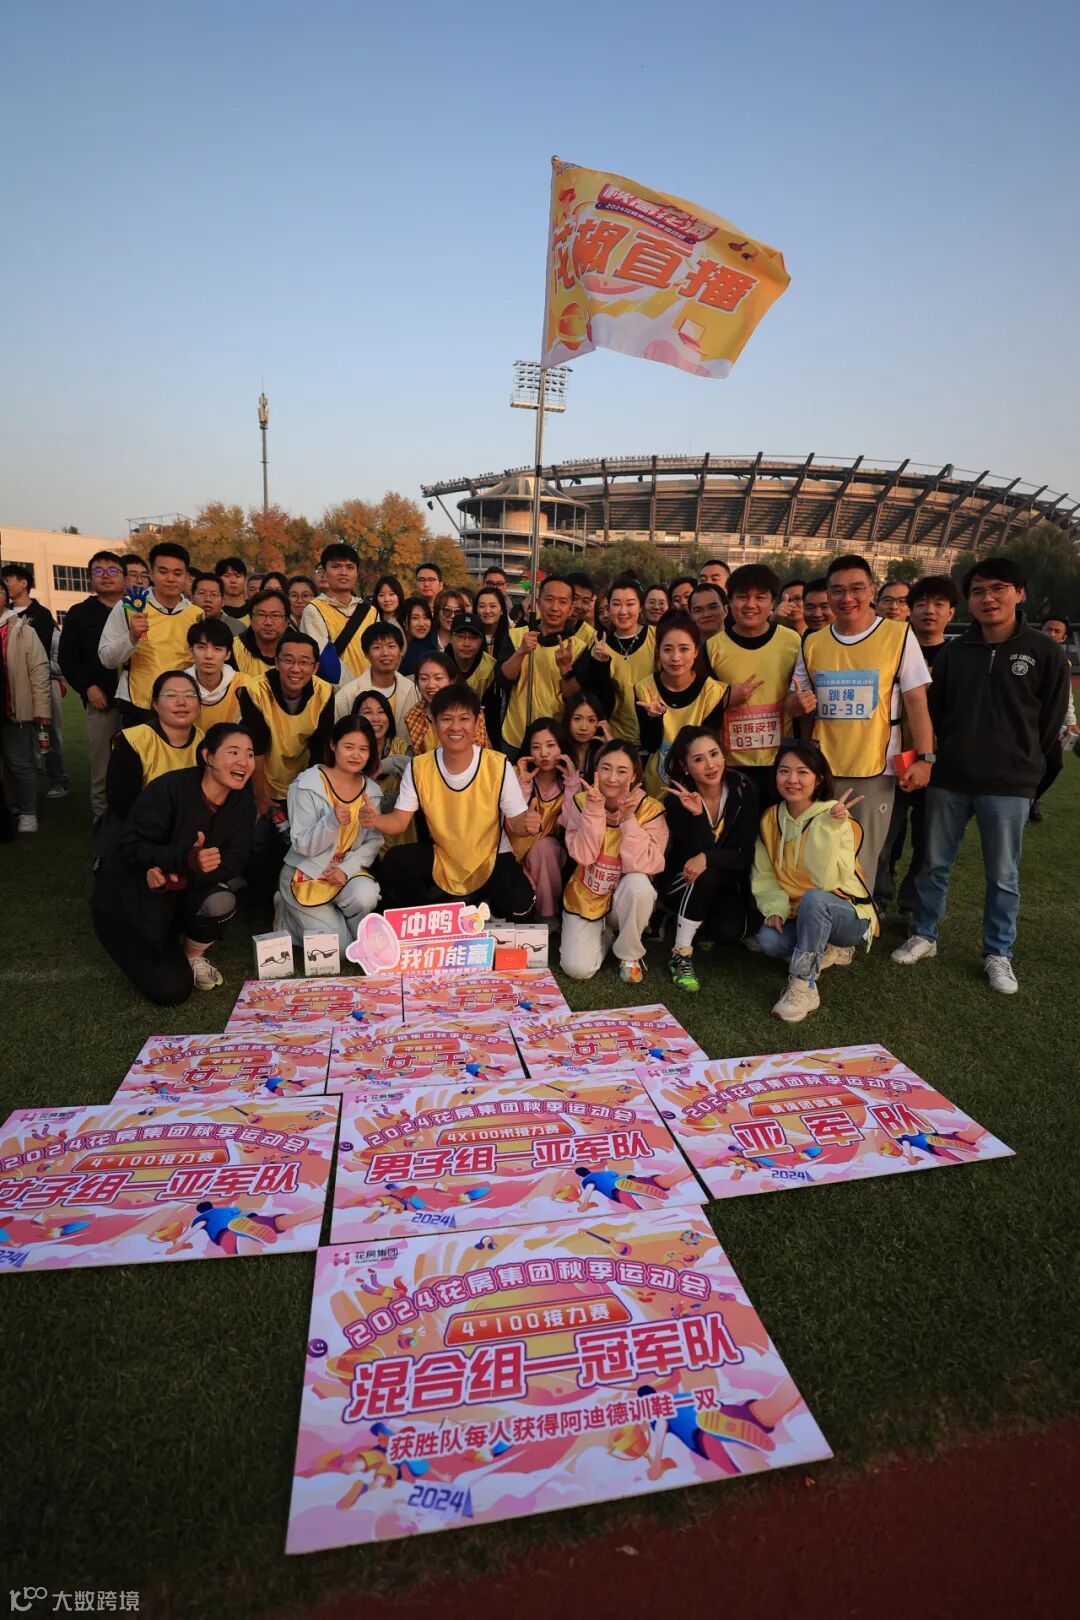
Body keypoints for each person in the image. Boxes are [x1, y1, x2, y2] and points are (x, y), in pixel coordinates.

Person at [891, 557, 1070, 994]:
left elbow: (1049, 723)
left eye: (998, 589)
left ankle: (997, 952)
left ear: (1019, 593)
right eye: (978, 591)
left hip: (1009, 784)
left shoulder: (1044, 651)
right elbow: (935, 713)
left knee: (1002, 875)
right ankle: (925, 934)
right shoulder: (955, 653)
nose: (988, 599)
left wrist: (1023, 761)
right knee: (934, 863)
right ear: (968, 601)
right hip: (950, 778)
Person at [787, 553, 933, 894]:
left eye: (856, 588)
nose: (847, 598)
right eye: (837, 590)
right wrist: (796, 704)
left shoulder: (898, 636)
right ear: (828, 594)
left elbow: (916, 702)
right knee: (818, 852)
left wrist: (925, 758)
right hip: (822, 768)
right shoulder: (813, 642)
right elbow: (795, 703)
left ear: (871, 591)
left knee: (861, 857)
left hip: (875, 768)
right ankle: (817, 918)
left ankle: (854, 923)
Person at [91, 724, 256, 1002]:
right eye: (233, 752)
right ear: (208, 756)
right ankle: (154, 941)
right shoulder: (169, 788)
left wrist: (184, 874)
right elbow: (130, 845)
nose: (244, 761)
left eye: (250, 754)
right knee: (172, 990)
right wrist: (183, 860)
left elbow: (236, 859)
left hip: (179, 891)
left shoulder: (242, 801)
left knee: (222, 900)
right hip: (131, 897)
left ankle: (192, 954)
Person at [364, 684, 536, 917]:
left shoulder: (498, 765)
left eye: (464, 718)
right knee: (396, 862)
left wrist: (528, 824)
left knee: (517, 899)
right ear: (434, 723)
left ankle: (475, 907)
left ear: (477, 722)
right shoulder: (419, 767)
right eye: (446, 719)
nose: (455, 727)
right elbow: (399, 821)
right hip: (443, 856)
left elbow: (516, 823)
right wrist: (376, 820)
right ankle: (432, 917)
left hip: (490, 856)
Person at [752, 741, 877, 1022]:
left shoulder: (835, 815)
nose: (792, 779)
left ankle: (802, 986)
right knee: (769, 940)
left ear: (818, 779)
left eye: (802, 772)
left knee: (815, 898)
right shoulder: (770, 818)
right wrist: (775, 907)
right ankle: (823, 948)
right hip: (799, 911)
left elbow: (827, 879)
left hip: (847, 913)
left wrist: (830, 828)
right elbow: (764, 873)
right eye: (784, 771)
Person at [238, 630, 335, 919]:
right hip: (262, 778)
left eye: (304, 662)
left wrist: (307, 798)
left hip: (303, 780)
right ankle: (258, 906)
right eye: (288, 660)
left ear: (315, 667)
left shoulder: (325, 692)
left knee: (301, 840)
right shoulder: (254, 691)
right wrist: (260, 797)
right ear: (276, 662)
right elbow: (256, 748)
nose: (296, 668)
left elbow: (320, 751)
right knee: (259, 841)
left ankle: (299, 898)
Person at [875, 575, 957, 915]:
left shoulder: (959, 655)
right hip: (893, 757)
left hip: (941, 763)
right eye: (921, 604)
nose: (928, 611)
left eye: (938, 604)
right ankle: (878, 898)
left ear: (951, 612)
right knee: (883, 836)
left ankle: (911, 904)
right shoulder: (888, 647)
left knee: (929, 840)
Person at [659, 726, 759, 991]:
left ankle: (699, 924)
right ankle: (680, 953)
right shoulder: (677, 800)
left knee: (730, 931)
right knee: (706, 869)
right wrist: (697, 816)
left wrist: (709, 857)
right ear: (685, 766)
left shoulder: (743, 789)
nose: (710, 765)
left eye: (714, 754)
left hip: (726, 879)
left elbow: (745, 855)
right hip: (683, 880)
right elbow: (692, 858)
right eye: (698, 759)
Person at [560, 739, 667, 984]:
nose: (612, 778)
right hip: (588, 895)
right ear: (596, 770)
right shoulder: (580, 801)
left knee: (639, 884)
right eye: (606, 768)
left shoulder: (651, 809)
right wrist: (594, 810)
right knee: (577, 969)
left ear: (634, 776)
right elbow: (584, 856)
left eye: (622, 771)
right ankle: (607, 935)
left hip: (624, 899)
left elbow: (647, 864)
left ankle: (629, 954)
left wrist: (628, 819)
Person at [278, 715, 384, 948]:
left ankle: (340, 926)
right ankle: (288, 916)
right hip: (306, 873)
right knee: (340, 949)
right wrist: (330, 821)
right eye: (349, 747)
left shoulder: (372, 791)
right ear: (333, 745)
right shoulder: (307, 785)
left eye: (364, 749)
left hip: (344, 872)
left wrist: (345, 870)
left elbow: (374, 841)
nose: (356, 755)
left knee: (365, 895)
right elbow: (302, 844)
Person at [707, 564, 801, 804]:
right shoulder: (713, 647)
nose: (750, 605)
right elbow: (702, 707)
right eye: (742, 597)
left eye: (760, 598)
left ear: (773, 603)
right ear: (729, 603)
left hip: (781, 764)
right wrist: (727, 698)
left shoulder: (792, 642)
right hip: (731, 766)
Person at [98, 541, 203, 725]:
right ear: (152, 574)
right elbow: (106, 658)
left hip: (183, 704)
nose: (170, 578)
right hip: (138, 703)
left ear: (187, 577)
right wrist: (131, 637)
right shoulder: (128, 607)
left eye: (177, 573)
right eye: (163, 571)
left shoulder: (197, 615)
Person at [57, 550, 125, 819]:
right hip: (102, 702)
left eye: (112, 570)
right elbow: (67, 658)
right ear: (90, 578)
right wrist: (88, 687)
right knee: (103, 769)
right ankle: (102, 824)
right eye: (98, 571)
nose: (105, 576)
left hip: (140, 702)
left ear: (124, 576)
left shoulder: (137, 608)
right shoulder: (79, 614)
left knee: (140, 765)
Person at [635, 613, 728, 796]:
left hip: (699, 787)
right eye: (667, 649)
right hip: (657, 786)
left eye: (684, 649)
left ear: (696, 651)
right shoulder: (644, 688)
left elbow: (709, 746)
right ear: (658, 651)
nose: (675, 657)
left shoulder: (712, 692)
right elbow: (650, 745)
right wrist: (654, 718)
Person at [500, 576, 592, 757]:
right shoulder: (516, 636)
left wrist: (566, 669)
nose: (555, 607)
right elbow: (503, 680)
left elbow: (574, 699)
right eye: (549, 599)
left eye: (562, 602)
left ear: (571, 608)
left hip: (554, 743)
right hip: (515, 737)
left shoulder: (578, 648)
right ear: (538, 603)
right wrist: (521, 652)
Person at [2, 562, 67, 799]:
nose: (5, 585)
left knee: (48, 733)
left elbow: (52, 649)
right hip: (14, 683)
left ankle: (58, 779)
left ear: (24, 583)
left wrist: (55, 676)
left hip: (43, 679)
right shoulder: (6, 615)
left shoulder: (41, 614)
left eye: (8, 580)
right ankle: (26, 780)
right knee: (19, 734)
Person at [104, 669, 203, 822]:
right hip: (142, 826)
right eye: (171, 695)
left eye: (190, 695)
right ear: (155, 704)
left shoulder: (206, 741)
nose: (181, 702)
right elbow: (122, 802)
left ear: (199, 705)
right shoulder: (133, 741)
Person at [572, 575, 654, 745]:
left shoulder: (657, 637)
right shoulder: (599, 645)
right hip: (614, 739)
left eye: (630, 604)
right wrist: (600, 665)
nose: (623, 611)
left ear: (640, 607)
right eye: (616, 604)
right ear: (608, 608)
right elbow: (597, 701)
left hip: (655, 737)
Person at [509, 718, 574, 920]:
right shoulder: (514, 774)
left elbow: (570, 823)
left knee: (544, 848)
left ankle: (548, 916)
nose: (544, 753)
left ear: (562, 748)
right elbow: (510, 822)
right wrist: (524, 785)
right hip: (513, 853)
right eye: (536, 747)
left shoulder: (570, 781)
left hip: (549, 857)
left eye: (551, 745)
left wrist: (572, 783)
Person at [0, 575, 50, 832]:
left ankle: (28, 812)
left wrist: (41, 709)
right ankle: (10, 808)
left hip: (13, 709)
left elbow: (39, 671)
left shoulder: (22, 629)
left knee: (19, 763)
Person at [300, 543, 375, 688]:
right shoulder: (314, 610)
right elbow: (324, 658)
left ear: (356, 573)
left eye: (350, 567)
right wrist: (354, 691)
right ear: (324, 572)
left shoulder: (370, 611)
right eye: (336, 566)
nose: (343, 572)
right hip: (336, 693)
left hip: (372, 692)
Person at [334, 620, 418, 737]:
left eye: (391, 646)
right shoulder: (347, 695)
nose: (385, 653)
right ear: (366, 653)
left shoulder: (414, 691)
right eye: (377, 647)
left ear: (401, 651)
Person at [1030, 614, 1077, 821]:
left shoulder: (1064, 662)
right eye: (1048, 629)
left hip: (1049, 723)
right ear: (1040, 631)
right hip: (1022, 720)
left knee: (1054, 765)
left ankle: (1032, 800)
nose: (1051, 633)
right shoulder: (1026, 654)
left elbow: (1066, 695)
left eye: (1057, 631)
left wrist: (1071, 722)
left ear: (1063, 638)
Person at [405, 651, 490, 752]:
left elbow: (479, 751)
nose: (431, 685)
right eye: (424, 678)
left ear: (452, 680)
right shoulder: (413, 715)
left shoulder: (470, 710)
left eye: (438, 678)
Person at [186, 618, 247, 730]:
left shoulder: (245, 685)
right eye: (201, 647)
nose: (209, 656)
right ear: (190, 650)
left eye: (217, 649)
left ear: (228, 654)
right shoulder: (177, 685)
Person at [232, 588, 289, 677]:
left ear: (287, 621)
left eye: (275, 615)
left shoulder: (298, 649)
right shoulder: (234, 649)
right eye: (261, 614)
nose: (268, 622)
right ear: (251, 618)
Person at [447, 611, 496, 700]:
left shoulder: (491, 667)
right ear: (450, 638)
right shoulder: (439, 664)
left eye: (473, 638)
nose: (466, 644)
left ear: (481, 641)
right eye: (461, 637)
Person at [563, 689, 609, 780]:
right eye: (577, 719)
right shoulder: (558, 751)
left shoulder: (604, 752)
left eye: (591, 720)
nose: (584, 727)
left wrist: (610, 745)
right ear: (568, 720)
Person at [214, 557, 250, 624]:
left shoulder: (255, 610)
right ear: (218, 579)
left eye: (238, 576)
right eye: (227, 576)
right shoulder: (213, 612)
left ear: (245, 579)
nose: (233, 581)